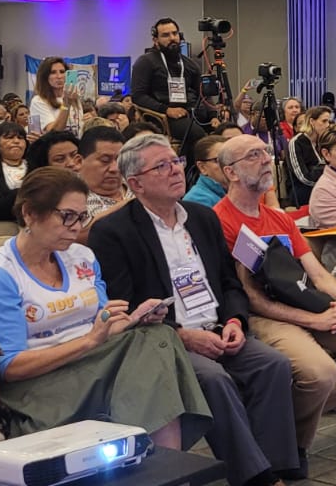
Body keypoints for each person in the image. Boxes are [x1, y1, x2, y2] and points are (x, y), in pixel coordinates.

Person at [88, 135, 304, 484]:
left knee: (272, 364)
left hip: (218, 327)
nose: (175, 170)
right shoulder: (113, 232)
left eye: (176, 161)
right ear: (136, 183)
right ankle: (254, 478)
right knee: (214, 379)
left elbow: (229, 283)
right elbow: (126, 307)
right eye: (162, 166)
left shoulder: (202, 217)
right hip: (166, 339)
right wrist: (183, 336)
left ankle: (276, 466)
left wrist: (235, 321)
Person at [0, 167, 208, 450]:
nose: (76, 227)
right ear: (29, 213)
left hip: (88, 366)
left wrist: (133, 319)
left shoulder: (81, 257)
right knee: (157, 348)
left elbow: (104, 325)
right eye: (67, 216)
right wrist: (89, 341)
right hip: (33, 389)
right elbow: (10, 367)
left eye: (81, 217)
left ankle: (155, 456)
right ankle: (161, 458)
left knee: (155, 334)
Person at [212, 135, 336, 455]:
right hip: (264, 315)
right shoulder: (221, 221)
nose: (266, 160)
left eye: (265, 153)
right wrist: (315, 320)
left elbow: (318, 274)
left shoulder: (278, 219)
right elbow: (251, 297)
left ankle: (277, 421)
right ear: (231, 172)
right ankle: (294, 447)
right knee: (321, 373)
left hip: (306, 301)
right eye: (253, 155)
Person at [131, 18, 218, 162]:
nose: (172, 38)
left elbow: (204, 93)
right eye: (166, 35)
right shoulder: (146, 62)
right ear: (155, 40)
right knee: (196, 134)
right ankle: (193, 171)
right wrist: (166, 110)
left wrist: (213, 115)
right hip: (164, 117)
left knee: (223, 131)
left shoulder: (190, 64)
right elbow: (138, 96)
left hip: (193, 113)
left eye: (174, 33)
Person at [79, 126, 131, 219]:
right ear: (79, 161)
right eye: (105, 160)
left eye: (119, 160)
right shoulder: (70, 201)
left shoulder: (138, 184)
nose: (115, 168)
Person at [286, 106, 333, 206]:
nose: (328, 125)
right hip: (302, 190)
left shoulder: (325, 141)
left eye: (329, 121)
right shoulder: (297, 142)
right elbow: (303, 177)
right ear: (312, 121)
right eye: (324, 121)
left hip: (323, 187)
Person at [185, 135, 231, 209]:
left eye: (229, 158)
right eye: (218, 160)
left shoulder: (235, 190)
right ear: (202, 167)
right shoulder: (196, 200)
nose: (227, 164)